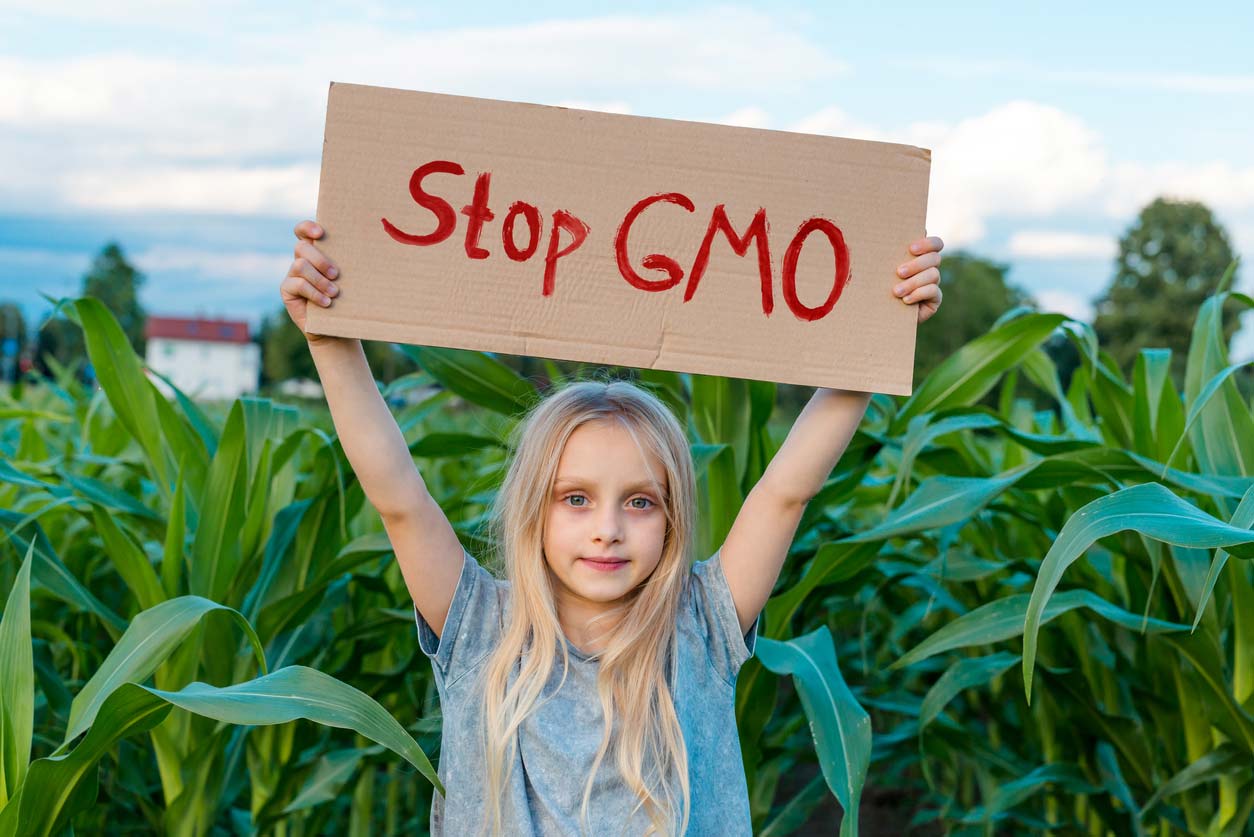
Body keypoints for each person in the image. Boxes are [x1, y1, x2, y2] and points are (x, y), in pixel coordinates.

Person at [279, 219, 943, 836]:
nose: (608, 529)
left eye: (641, 502)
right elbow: (399, 496)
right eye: (575, 499)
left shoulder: (700, 627)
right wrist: (331, 346)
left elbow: (784, 493)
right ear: (532, 509)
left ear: (672, 518)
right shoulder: (482, 627)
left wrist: (875, 339)